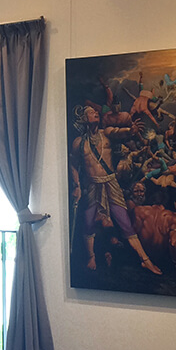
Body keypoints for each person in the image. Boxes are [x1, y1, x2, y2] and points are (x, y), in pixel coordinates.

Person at [71, 105, 162, 274]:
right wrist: (77, 186)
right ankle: (91, 256)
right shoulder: (79, 143)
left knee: (124, 222)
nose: (95, 113)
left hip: (111, 183)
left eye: (95, 111)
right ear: (84, 119)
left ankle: (145, 260)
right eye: (91, 112)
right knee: (88, 222)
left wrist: (131, 130)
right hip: (92, 185)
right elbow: (74, 165)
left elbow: (119, 132)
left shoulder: (106, 133)